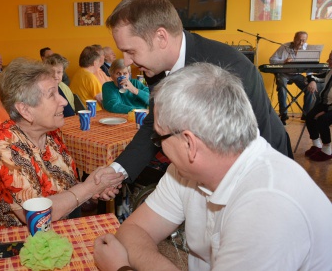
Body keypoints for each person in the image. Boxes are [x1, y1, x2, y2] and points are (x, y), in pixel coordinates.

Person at [94, 62, 332, 270]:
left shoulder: (268, 205)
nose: (159, 147)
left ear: (190, 143)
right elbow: (133, 231)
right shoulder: (186, 171)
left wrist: (122, 268)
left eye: (159, 139)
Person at [93, 0, 291, 191]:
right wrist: (118, 171)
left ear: (161, 37)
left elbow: (250, 143)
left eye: (130, 51)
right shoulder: (155, 67)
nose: (127, 61)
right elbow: (155, 123)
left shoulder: (229, 68)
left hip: (259, 172)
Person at [0, 58, 124, 233]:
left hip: (52, 232)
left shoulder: (50, 132)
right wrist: (89, 187)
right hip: (1, 238)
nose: (63, 102)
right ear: (25, 110)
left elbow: (62, 181)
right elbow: (37, 216)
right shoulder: (2, 144)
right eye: (51, 94)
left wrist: (94, 187)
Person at [269, 31, 318, 124]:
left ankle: (306, 114)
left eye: (303, 40)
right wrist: (283, 61)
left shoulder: (307, 49)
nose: (301, 43)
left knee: (309, 88)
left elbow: (309, 66)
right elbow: (272, 60)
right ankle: (284, 114)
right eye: (299, 40)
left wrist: (311, 80)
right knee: (282, 86)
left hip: (297, 74)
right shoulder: (284, 47)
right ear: (294, 39)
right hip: (283, 73)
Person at [304, 50, 332, 161]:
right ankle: (317, 145)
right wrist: (312, 81)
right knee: (309, 117)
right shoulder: (330, 71)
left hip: (330, 107)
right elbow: (313, 77)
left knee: (322, 119)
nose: (327, 61)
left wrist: (326, 111)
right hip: (325, 103)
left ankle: (327, 149)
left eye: (330, 59)